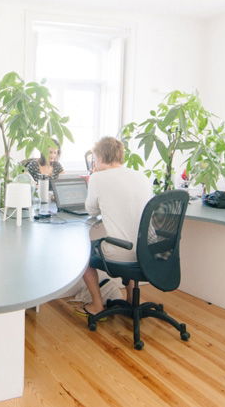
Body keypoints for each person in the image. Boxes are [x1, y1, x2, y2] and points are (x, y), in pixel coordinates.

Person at [79, 136, 153, 317]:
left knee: (83, 255)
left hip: (123, 252)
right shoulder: (140, 175)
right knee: (128, 235)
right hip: (148, 251)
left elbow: (91, 209)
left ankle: (97, 305)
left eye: (95, 159)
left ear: (99, 157)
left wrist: (92, 182)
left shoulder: (98, 178)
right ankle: (130, 299)